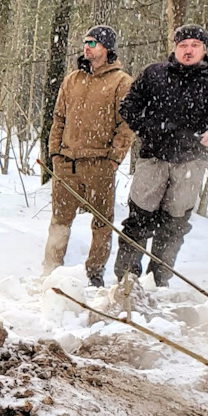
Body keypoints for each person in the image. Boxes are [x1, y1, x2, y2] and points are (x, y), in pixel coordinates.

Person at [114, 24, 208, 287]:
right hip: (153, 159)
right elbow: (129, 105)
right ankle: (127, 278)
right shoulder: (154, 74)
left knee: (174, 225)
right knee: (139, 219)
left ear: (204, 49)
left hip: (191, 162)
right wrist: (148, 129)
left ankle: (159, 279)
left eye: (194, 45)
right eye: (183, 45)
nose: (188, 50)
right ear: (175, 47)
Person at [44, 25, 133, 286]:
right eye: (86, 42)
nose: (87, 47)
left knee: (102, 223)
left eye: (93, 43)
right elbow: (58, 118)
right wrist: (55, 152)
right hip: (67, 163)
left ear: (107, 49)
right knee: (60, 220)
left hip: (99, 164)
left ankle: (94, 273)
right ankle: (51, 270)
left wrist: (114, 159)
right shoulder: (72, 79)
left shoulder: (121, 82)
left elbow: (126, 125)